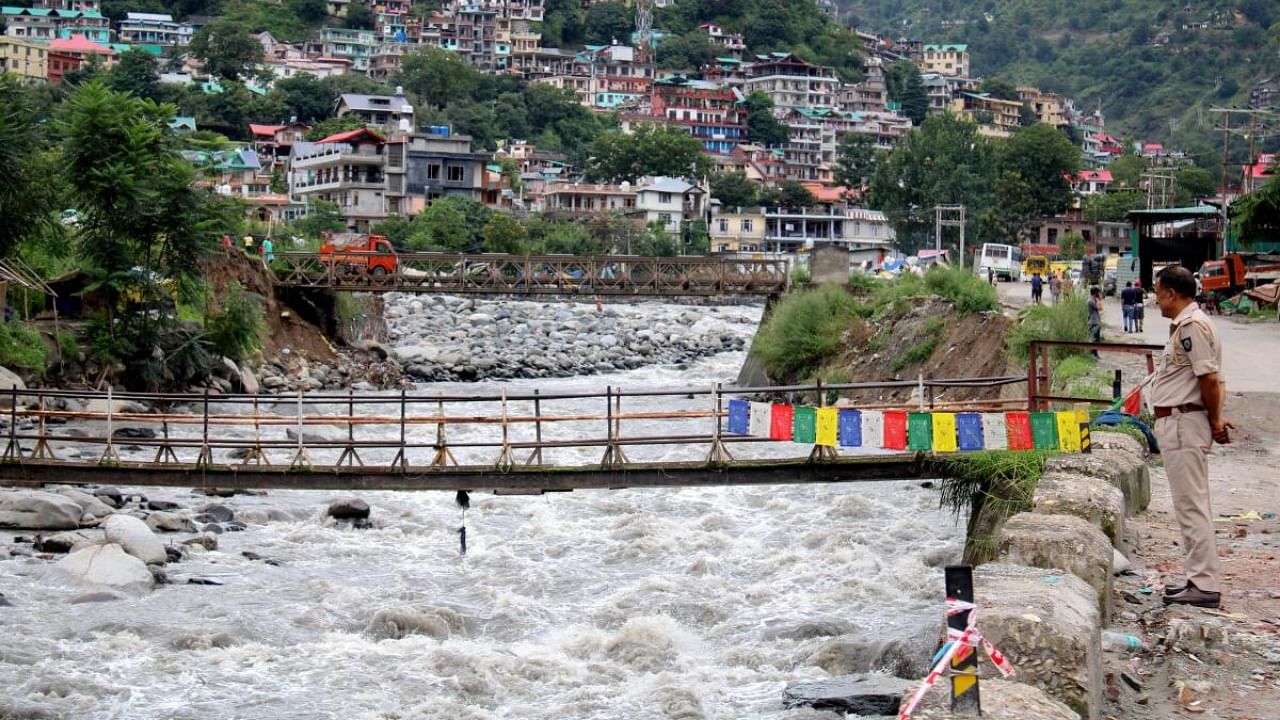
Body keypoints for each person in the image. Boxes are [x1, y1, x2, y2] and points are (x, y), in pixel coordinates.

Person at [1150, 264, 1232, 608]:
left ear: (1171, 292)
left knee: (1191, 505)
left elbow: (1209, 379)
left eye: (1158, 293)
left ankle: (1204, 584)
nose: (1156, 300)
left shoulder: (1192, 328)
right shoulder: (1189, 325)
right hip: (1180, 422)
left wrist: (1215, 420)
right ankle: (1197, 578)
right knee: (1189, 505)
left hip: (1184, 422)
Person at [1087, 286, 1102, 356]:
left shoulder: (1093, 300)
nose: (1099, 294)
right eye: (1098, 292)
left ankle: (1095, 353)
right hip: (1093, 322)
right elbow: (1100, 308)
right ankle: (1092, 353)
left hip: (1096, 321)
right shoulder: (1091, 301)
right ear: (1095, 293)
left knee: (1097, 339)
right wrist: (1100, 300)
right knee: (1094, 338)